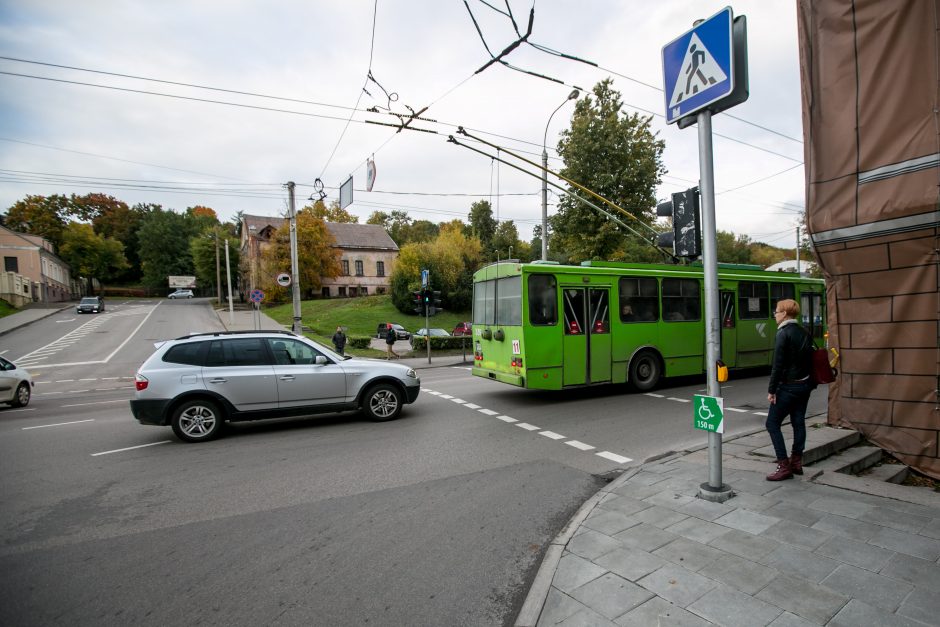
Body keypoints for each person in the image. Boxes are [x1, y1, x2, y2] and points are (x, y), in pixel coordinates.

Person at [765, 299, 816, 481]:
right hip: (805, 385)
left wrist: (772, 391)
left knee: (772, 424)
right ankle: (796, 462)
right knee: (798, 422)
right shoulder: (804, 332)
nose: (775, 315)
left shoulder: (783, 333)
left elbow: (777, 366)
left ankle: (783, 466)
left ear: (785, 313)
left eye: (777, 312)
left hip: (788, 386)